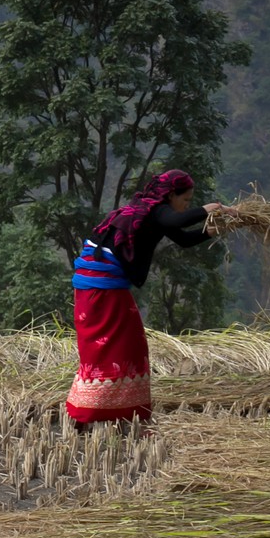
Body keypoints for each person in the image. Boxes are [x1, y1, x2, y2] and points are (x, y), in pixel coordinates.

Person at [66, 169, 236, 427]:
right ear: (170, 195)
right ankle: (93, 411)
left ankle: (113, 411)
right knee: (115, 347)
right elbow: (174, 222)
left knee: (126, 346)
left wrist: (210, 231)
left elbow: (183, 238)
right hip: (101, 288)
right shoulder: (154, 209)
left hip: (100, 288)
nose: (185, 206)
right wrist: (208, 209)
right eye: (186, 200)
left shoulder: (147, 213)